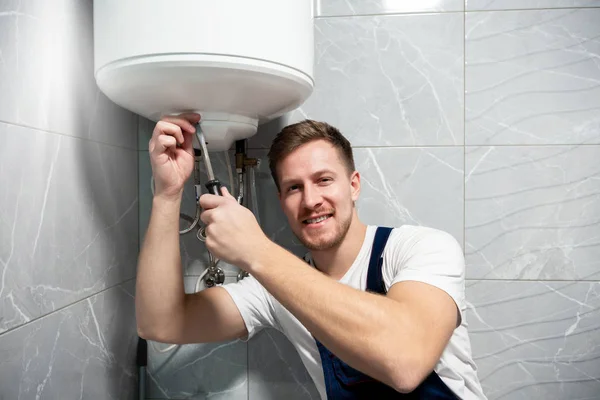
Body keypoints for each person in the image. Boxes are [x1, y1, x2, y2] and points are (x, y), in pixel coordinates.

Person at [137, 113, 487, 400]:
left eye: (323, 180)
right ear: (281, 202)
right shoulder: (272, 289)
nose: (310, 200)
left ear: (353, 185)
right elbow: (161, 323)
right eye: (293, 188)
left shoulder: (420, 249)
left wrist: (255, 250)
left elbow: (405, 362)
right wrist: (167, 196)